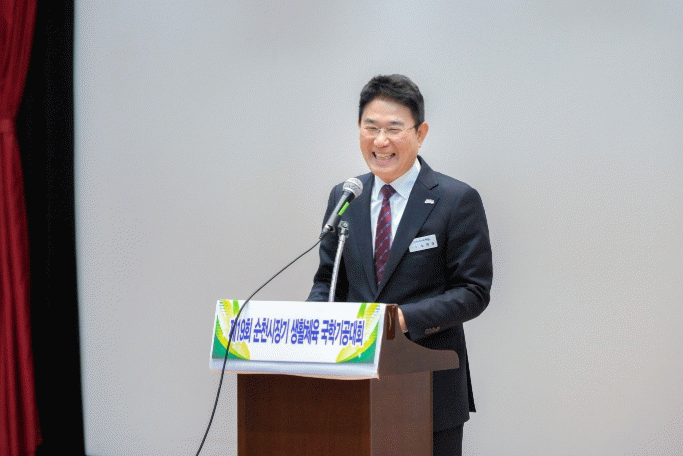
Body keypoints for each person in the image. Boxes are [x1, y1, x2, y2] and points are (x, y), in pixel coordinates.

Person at [307, 74, 493, 455]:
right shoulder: (346, 197)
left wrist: (401, 319)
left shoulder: (456, 200)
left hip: (428, 390)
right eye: (371, 128)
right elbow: (329, 280)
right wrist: (309, 325)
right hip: (351, 387)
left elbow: (473, 292)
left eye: (394, 129)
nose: (381, 141)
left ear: (420, 133)